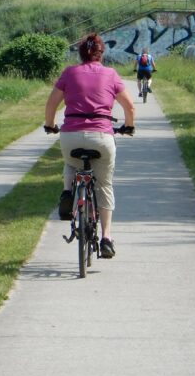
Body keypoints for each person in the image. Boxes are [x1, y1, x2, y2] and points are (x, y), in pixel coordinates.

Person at [43, 33, 135, 259]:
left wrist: (50, 125)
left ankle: (67, 192)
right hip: (102, 137)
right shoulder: (111, 74)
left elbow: (52, 103)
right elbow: (130, 107)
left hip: (71, 136)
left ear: (81, 53)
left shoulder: (69, 73)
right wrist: (128, 127)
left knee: (71, 163)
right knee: (104, 184)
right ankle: (106, 238)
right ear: (101, 54)